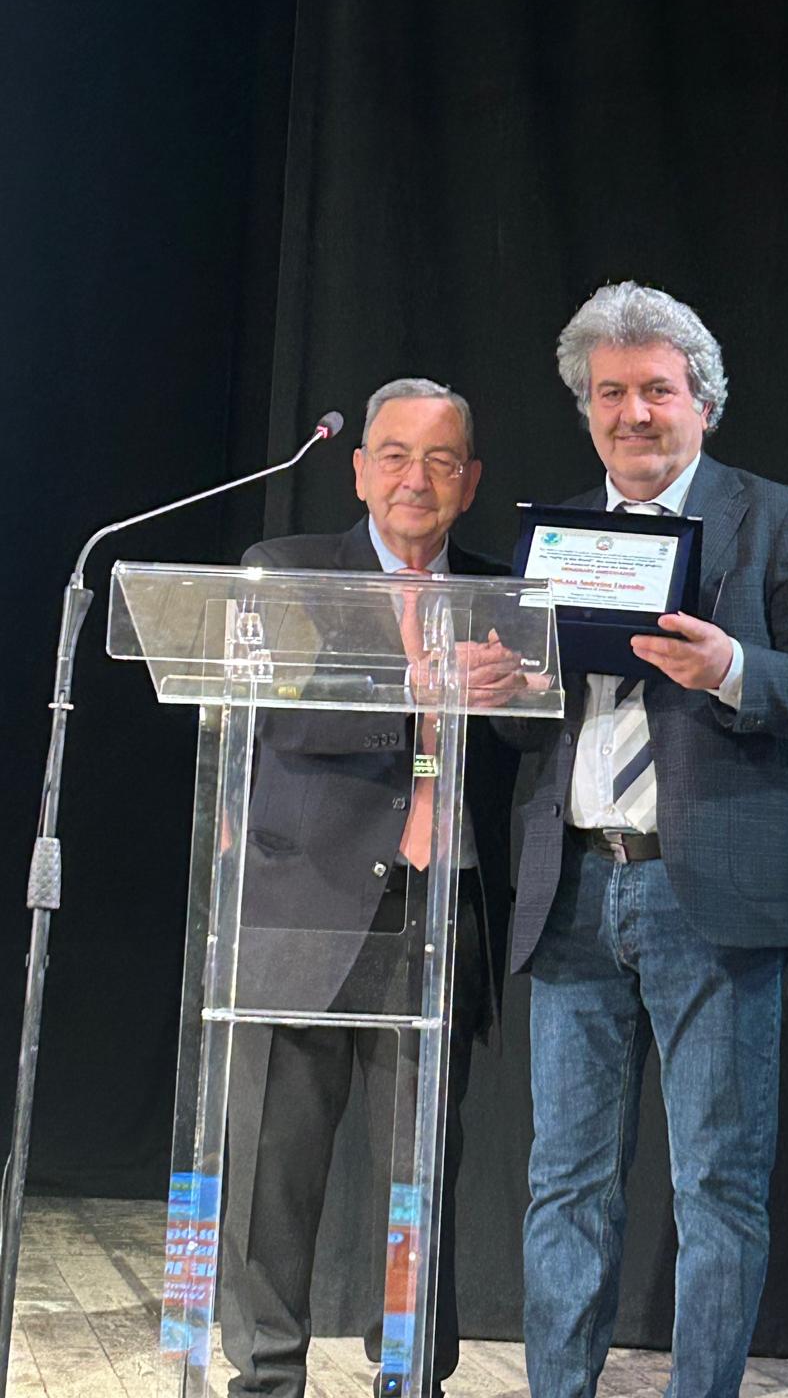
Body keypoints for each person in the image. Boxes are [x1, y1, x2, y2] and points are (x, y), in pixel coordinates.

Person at [504, 283, 788, 1398]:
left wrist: (733, 669)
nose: (634, 413)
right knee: (565, 1183)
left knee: (716, 1187)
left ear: (702, 402)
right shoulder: (558, 535)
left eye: (657, 390)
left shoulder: (777, 518)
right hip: (572, 889)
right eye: (610, 393)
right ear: (586, 408)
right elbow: (530, 724)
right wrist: (500, 685)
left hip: (705, 892)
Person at [220, 378, 522, 1398]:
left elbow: (539, 737)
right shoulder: (287, 572)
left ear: (470, 482)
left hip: (440, 914)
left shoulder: (508, 599)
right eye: (394, 455)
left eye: (441, 461)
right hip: (302, 906)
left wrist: (514, 691)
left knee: (418, 1181)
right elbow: (281, 711)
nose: (415, 479)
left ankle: (408, 1374)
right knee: (274, 1177)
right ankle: (267, 1378)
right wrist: (412, 688)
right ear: (357, 471)